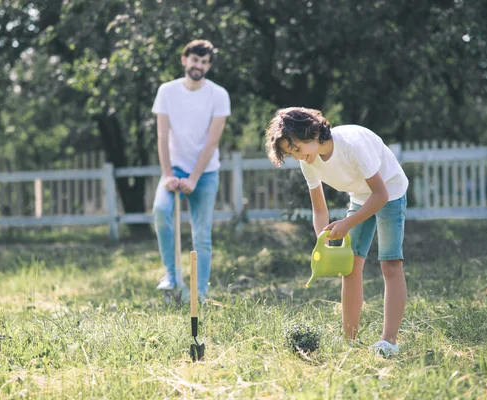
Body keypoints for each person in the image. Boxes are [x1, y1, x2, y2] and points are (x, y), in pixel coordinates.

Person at [265, 107, 409, 357]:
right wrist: (324, 240)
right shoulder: (308, 163)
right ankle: (350, 342)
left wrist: (347, 223)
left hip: (390, 191)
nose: (298, 157)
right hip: (361, 196)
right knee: (350, 266)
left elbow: (381, 195)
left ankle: (389, 341)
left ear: (310, 132)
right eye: (291, 153)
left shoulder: (351, 146)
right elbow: (319, 210)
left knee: (390, 265)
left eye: (297, 148)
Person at [151, 39, 231, 301]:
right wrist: (167, 175)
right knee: (161, 211)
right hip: (174, 167)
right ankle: (172, 277)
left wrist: (194, 178)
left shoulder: (219, 95)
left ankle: (199, 292)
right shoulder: (167, 91)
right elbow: (162, 137)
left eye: (205, 62)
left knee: (201, 232)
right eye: (195, 60)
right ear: (185, 60)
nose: (199, 66)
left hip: (205, 173)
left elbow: (212, 141)